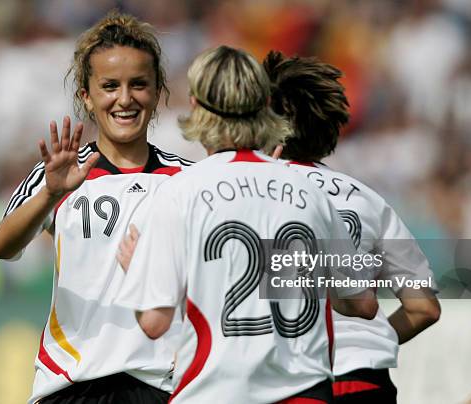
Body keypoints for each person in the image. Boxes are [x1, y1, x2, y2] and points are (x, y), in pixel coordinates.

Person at [114, 45, 378, 404]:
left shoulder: (179, 192)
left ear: (195, 105)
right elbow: (362, 304)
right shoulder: (310, 191)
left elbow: (154, 323)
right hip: (305, 395)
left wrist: (137, 274)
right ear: (265, 103)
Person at [0, 12, 193, 404]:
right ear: (86, 95)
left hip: (159, 384)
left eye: (138, 85)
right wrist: (49, 194)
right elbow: (1, 246)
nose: (125, 99)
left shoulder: (186, 180)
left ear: (157, 90)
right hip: (70, 383)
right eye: (109, 86)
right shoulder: (58, 174)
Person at [263, 50, 441, 404]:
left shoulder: (254, 190)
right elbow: (424, 307)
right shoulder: (370, 200)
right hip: (366, 378)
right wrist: (369, 339)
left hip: (290, 378)